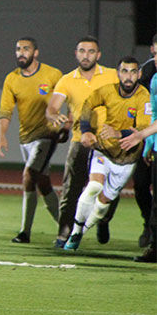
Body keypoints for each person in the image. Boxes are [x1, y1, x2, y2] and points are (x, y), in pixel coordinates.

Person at [63, 57, 150, 251]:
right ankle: (75, 232)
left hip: (127, 159)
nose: (128, 76)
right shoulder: (106, 91)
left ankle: (82, 231)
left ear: (139, 74)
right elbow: (87, 105)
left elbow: (144, 127)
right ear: (118, 73)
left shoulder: (143, 96)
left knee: (104, 202)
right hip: (104, 150)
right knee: (94, 185)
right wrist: (85, 129)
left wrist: (119, 133)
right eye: (124, 71)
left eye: (133, 72)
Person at [46, 36, 119, 248]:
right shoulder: (67, 80)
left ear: (98, 55)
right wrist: (54, 116)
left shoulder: (112, 76)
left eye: (90, 51)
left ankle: (103, 219)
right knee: (71, 188)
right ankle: (64, 233)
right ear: (76, 54)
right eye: (82, 51)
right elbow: (51, 108)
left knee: (110, 188)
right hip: (81, 140)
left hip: (108, 143)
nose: (86, 55)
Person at [0, 37, 64, 243]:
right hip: (25, 138)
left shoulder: (53, 75)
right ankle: (66, 228)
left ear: (36, 53)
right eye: (18, 49)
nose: (21, 53)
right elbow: (6, 111)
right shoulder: (12, 79)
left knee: (28, 175)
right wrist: (2, 137)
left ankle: (25, 232)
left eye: (26, 49)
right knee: (43, 183)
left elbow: (69, 99)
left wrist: (66, 125)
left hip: (47, 135)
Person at [119, 68, 157, 263]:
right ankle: (154, 246)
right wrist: (149, 145)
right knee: (149, 194)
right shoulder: (155, 80)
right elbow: (154, 115)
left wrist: (141, 135)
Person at [130, 34, 157, 248]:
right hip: (151, 140)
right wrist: (147, 142)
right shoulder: (150, 75)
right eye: (156, 54)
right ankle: (148, 226)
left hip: (147, 136)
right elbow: (152, 113)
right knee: (140, 184)